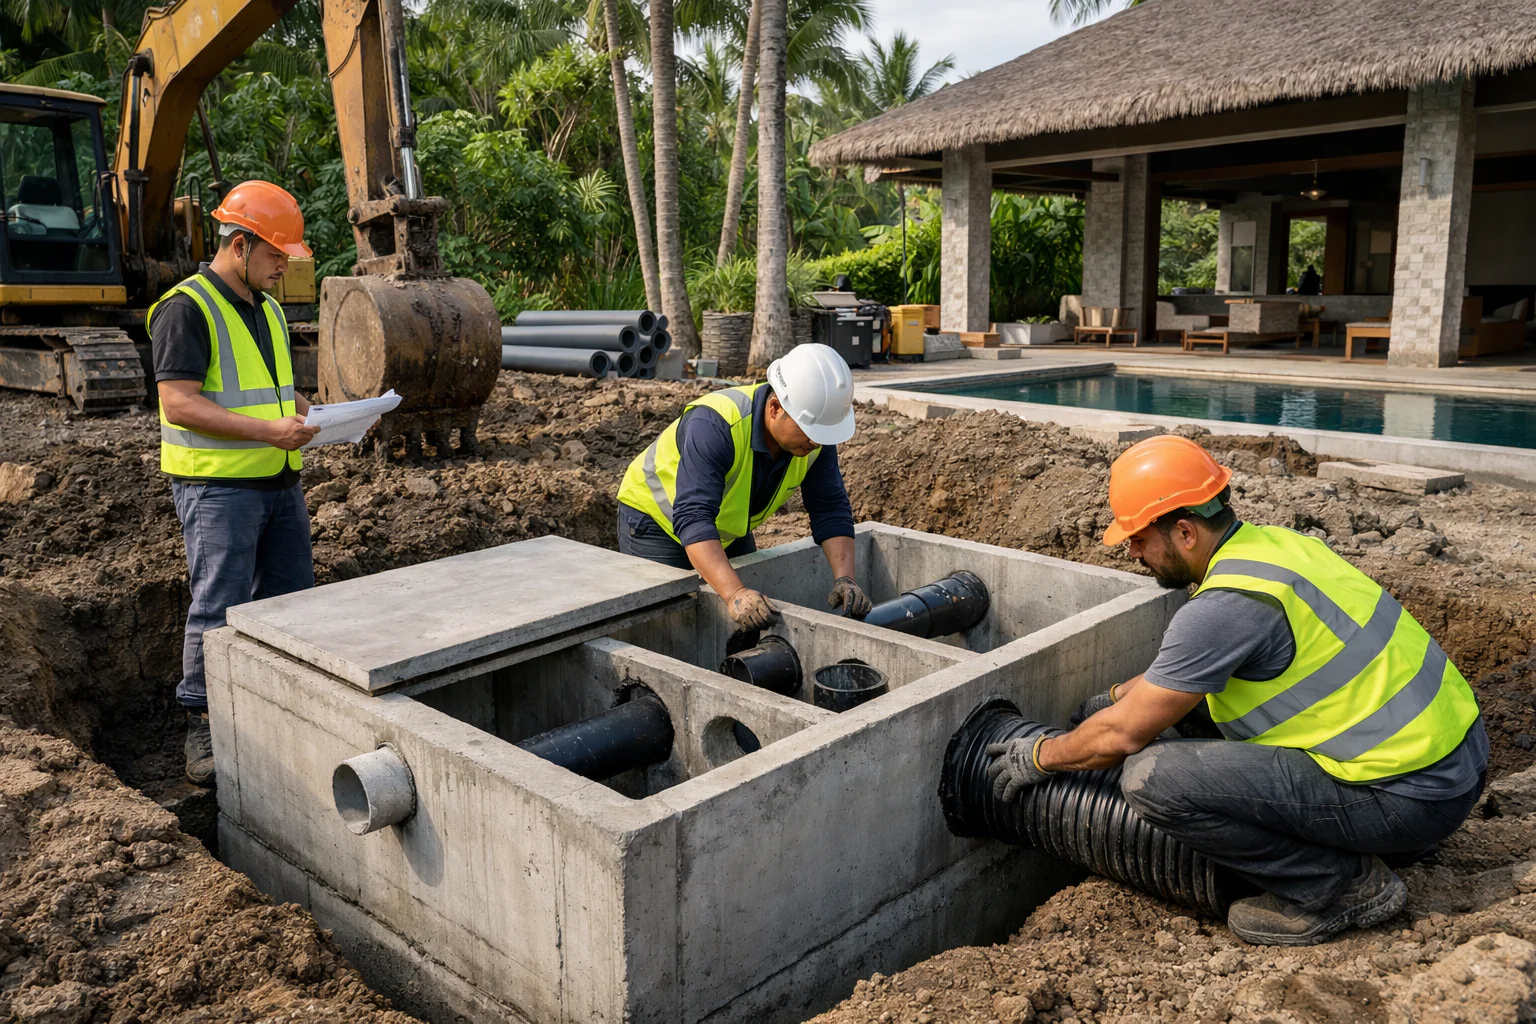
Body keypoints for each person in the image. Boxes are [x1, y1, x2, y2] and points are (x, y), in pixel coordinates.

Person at [986, 435, 1486, 947]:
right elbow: (1185, 672)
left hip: (1408, 797)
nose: (1133, 552)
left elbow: (1122, 737)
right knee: (1175, 713)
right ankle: (1377, 842)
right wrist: (1117, 697)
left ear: (1184, 531)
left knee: (1152, 778)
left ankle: (1338, 887)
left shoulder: (1224, 608)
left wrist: (1041, 756)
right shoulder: (1278, 548)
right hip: (1456, 763)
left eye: (1138, 538)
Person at [150, 180, 319, 785]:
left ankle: (281, 708)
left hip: (278, 481)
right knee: (218, 604)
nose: (283, 268)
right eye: (276, 255)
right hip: (217, 486)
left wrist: (320, 414)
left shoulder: (266, 307)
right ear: (240, 246)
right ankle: (203, 721)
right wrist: (270, 431)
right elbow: (179, 403)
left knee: (293, 600)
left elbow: (273, 390)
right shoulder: (186, 308)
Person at [616, 343, 871, 630]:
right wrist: (734, 593)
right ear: (775, 408)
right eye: (810, 431)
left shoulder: (814, 438)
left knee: (746, 620)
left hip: (724, 526)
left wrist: (845, 579)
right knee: (667, 626)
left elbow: (830, 506)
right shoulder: (715, 425)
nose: (816, 441)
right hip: (655, 522)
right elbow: (693, 516)